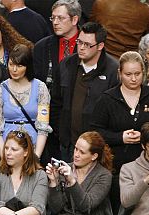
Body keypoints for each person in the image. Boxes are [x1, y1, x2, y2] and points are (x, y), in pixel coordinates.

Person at [90, 51, 149, 171]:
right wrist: (120, 137)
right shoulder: (107, 99)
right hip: (115, 166)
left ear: (143, 72)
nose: (133, 79)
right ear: (120, 73)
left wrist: (146, 137)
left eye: (137, 74)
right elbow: (95, 132)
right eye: (128, 74)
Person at [51, 22, 120, 161]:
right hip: (68, 144)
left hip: (97, 148)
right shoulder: (66, 64)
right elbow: (56, 102)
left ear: (100, 46)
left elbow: (115, 112)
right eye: (79, 42)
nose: (81, 47)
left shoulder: (113, 70)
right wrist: (60, 131)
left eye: (87, 44)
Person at [0, 44, 51, 159]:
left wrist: (36, 157)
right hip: (8, 148)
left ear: (27, 66)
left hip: (32, 146)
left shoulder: (40, 88)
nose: (14, 69)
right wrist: (5, 157)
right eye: (11, 64)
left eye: (19, 65)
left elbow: (43, 127)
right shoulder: (0, 89)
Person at [32, 0, 80, 87]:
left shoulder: (89, 45)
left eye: (60, 18)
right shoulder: (41, 47)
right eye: (53, 18)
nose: (55, 22)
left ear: (74, 20)